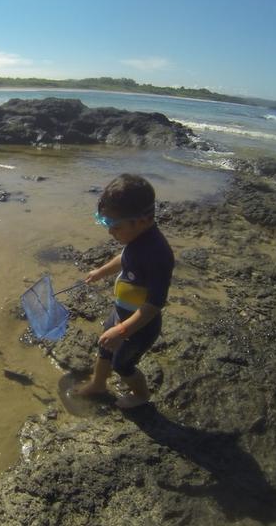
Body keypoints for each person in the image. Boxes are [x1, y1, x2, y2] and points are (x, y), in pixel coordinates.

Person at [77, 173, 174, 408]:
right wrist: (102, 271)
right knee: (104, 347)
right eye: (105, 223)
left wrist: (122, 331)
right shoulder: (136, 239)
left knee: (122, 364)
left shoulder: (157, 255)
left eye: (114, 225)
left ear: (141, 220)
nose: (110, 232)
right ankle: (98, 384)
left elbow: (153, 306)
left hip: (140, 326)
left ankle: (141, 395)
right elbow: (124, 258)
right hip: (121, 312)